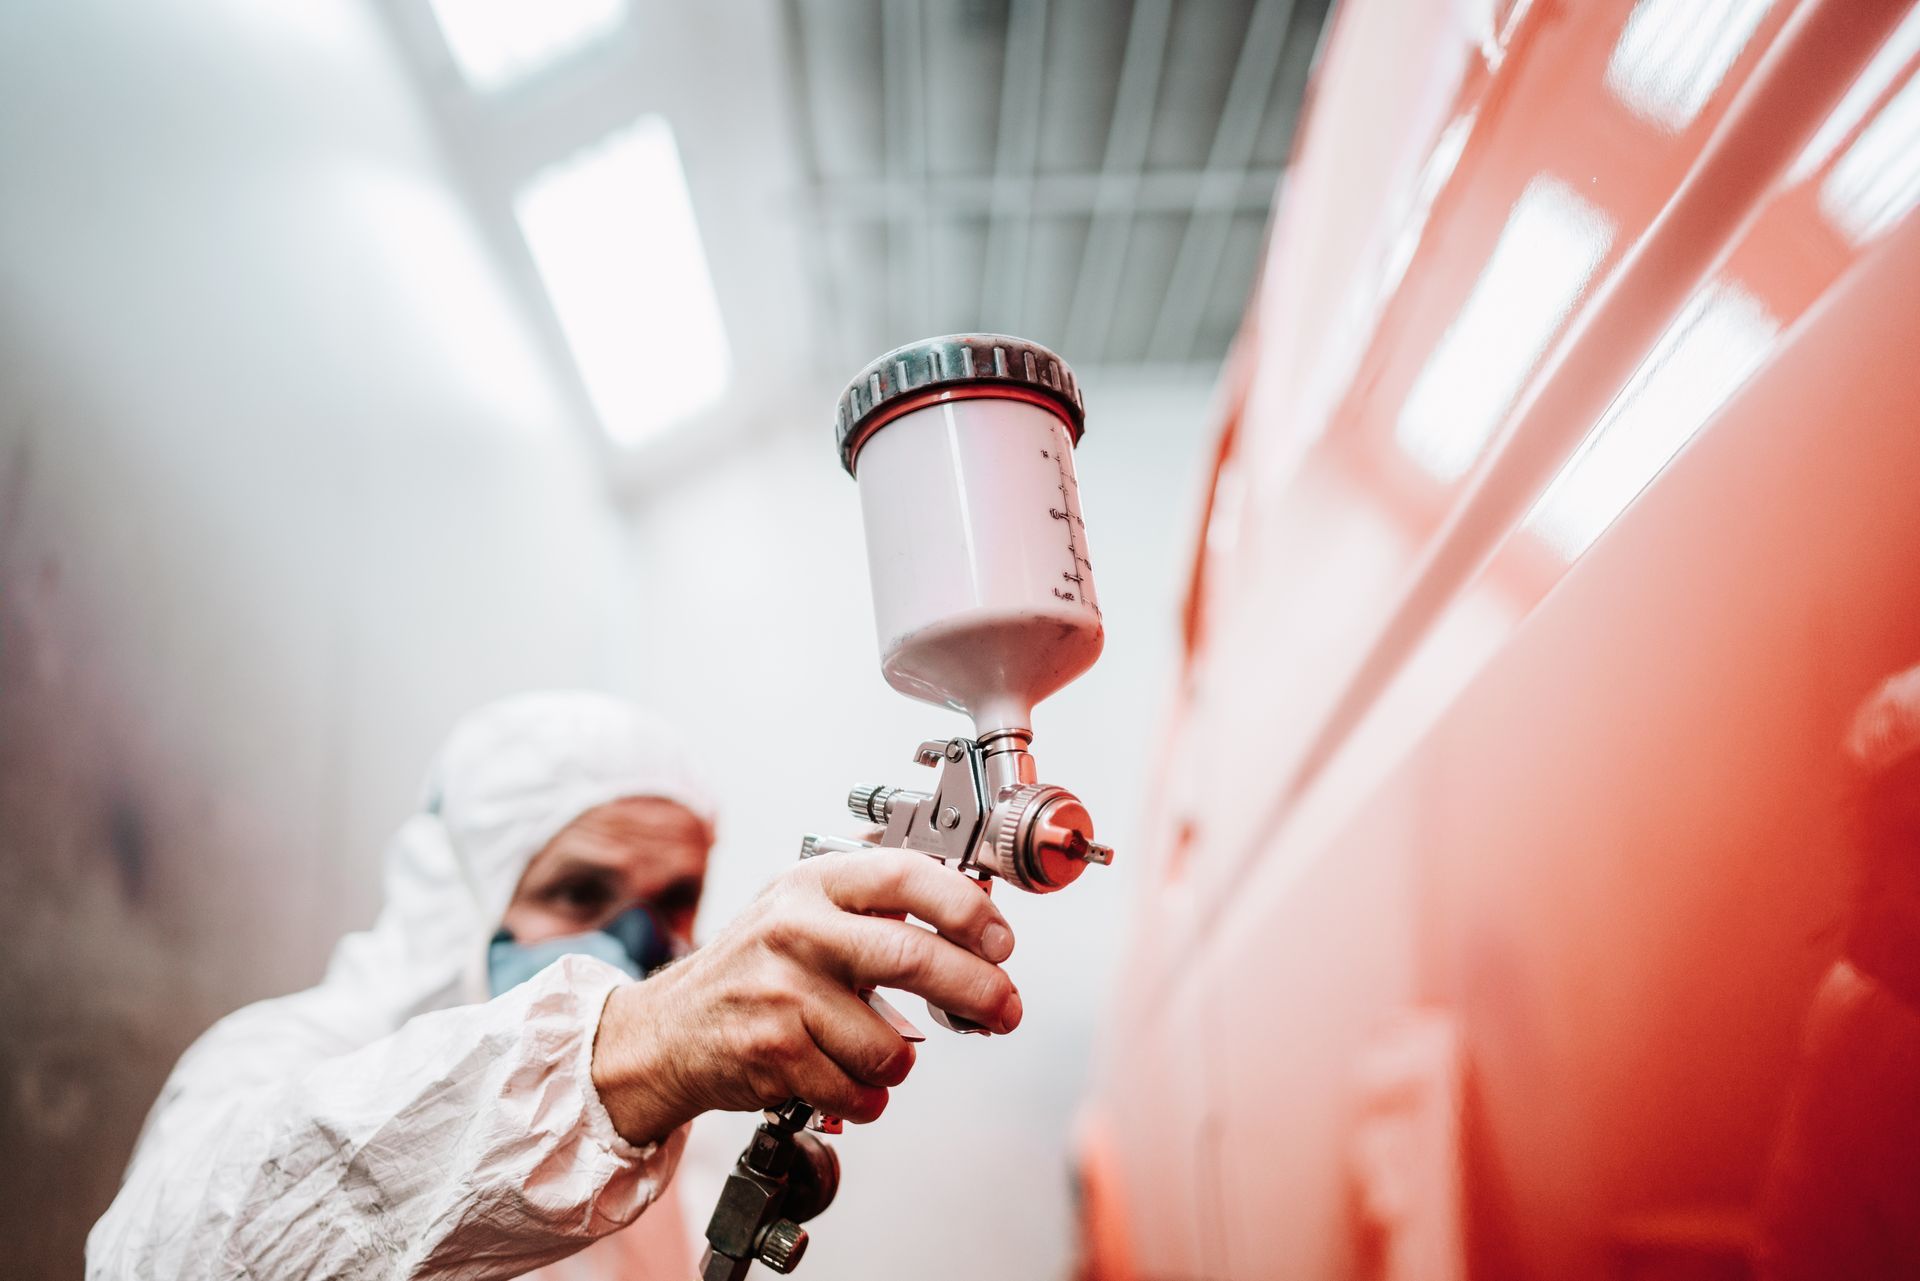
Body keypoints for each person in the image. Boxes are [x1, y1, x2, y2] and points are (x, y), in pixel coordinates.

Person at [86, 691, 1022, 1280]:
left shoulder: (666, 1151)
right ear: (464, 899)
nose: (633, 939)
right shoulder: (281, 1060)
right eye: (579, 891)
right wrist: (622, 1054)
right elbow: (166, 1256)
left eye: (674, 901)